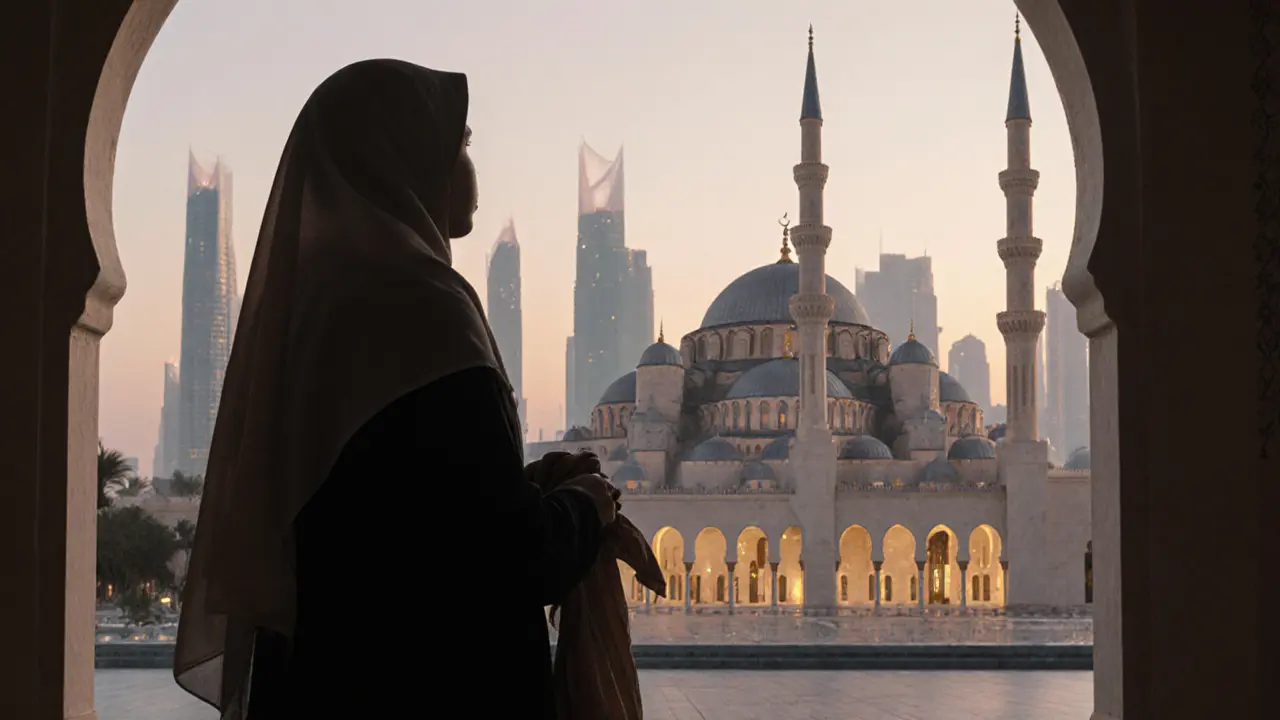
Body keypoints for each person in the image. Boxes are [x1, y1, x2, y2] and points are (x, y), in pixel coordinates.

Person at [173, 59, 617, 719]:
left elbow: (416, 515)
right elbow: (510, 562)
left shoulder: (318, 321)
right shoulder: (423, 310)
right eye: (460, 147)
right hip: (435, 687)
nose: (470, 168)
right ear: (401, 158)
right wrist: (588, 504)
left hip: (329, 680)